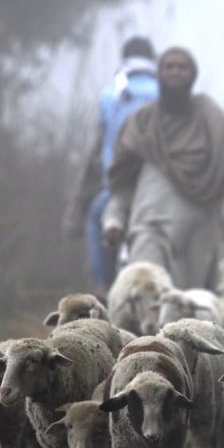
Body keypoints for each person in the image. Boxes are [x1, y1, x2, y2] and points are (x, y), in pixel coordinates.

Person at [102, 46, 224, 290]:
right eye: (169, 67)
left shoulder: (210, 117)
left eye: (182, 67)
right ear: (159, 73)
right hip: (148, 225)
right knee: (146, 292)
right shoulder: (141, 122)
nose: (175, 72)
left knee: (189, 302)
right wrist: (114, 219)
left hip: (197, 230)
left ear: (192, 74)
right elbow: (122, 179)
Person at [63, 36, 159, 300]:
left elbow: (103, 143)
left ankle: (102, 285)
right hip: (156, 187)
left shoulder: (111, 95)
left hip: (117, 185)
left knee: (95, 217)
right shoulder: (163, 92)